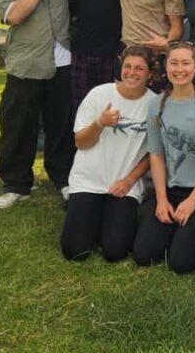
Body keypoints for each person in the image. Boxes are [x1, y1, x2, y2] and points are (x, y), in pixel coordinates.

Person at [0, 0, 74, 209]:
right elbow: (14, 16)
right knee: (18, 126)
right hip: (26, 64)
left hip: (62, 61)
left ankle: (63, 179)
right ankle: (16, 185)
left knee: (61, 126)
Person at [132, 42, 195, 273]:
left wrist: (193, 201)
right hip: (172, 189)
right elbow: (156, 154)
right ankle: (174, 228)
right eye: (173, 63)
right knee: (144, 255)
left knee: (180, 264)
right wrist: (161, 199)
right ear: (166, 66)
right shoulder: (156, 105)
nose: (179, 69)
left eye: (186, 63)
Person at [60, 46, 157, 261]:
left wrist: (129, 180)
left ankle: (106, 217)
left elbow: (154, 152)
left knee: (115, 251)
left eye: (139, 68)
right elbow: (80, 142)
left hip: (123, 185)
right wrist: (100, 123)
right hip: (89, 180)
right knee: (75, 251)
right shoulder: (99, 94)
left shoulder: (154, 104)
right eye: (128, 66)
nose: (132, 72)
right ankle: (87, 212)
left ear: (150, 74)